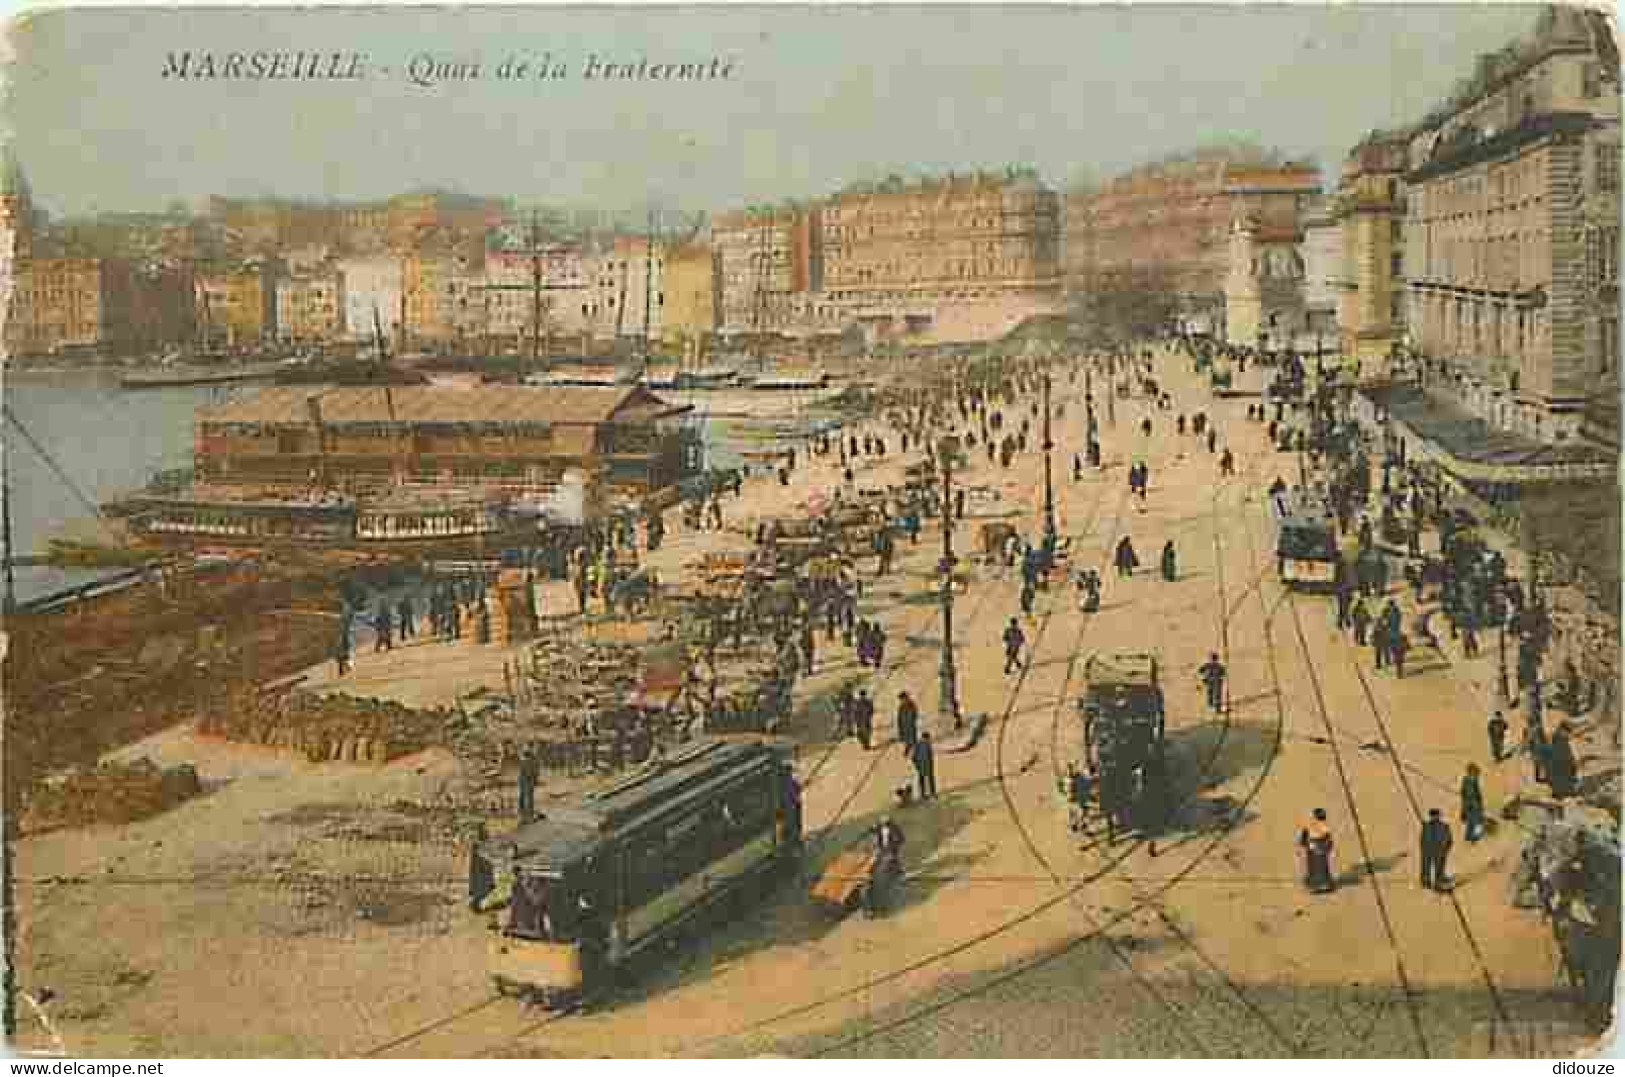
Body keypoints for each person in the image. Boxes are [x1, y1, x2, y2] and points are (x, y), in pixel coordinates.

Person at [868, 817, 906, 916]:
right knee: (876, 865)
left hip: (891, 850)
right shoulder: (879, 829)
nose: (883, 824)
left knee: (892, 862)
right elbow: (873, 832)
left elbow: (901, 839)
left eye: (885, 823)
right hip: (882, 850)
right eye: (881, 823)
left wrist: (894, 849)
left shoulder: (895, 829)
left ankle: (898, 870)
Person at [1299, 808, 1335, 893]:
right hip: (1314, 850)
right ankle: (1318, 883)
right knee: (1314, 866)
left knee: (1320, 867)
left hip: (1317, 850)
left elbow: (1328, 841)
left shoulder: (1324, 829)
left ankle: (1321, 885)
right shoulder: (1312, 827)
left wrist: (1325, 848)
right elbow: (1304, 836)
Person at [1419, 808, 1453, 892]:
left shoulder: (1444, 826)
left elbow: (1449, 838)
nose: (1435, 817)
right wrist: (1423, 848)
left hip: (1439, 849)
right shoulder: (1426, 826)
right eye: (1433, 816)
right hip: (1429, 849)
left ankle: (1438, 881)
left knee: (1439, 866)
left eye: (1436, 816)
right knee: (1426, 865)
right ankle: (1426, 881)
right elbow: (1422, 838)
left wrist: (1446, 848)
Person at [467, 823, 494, 912]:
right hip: (481, 869)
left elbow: (472, 875)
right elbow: (472, 875)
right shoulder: (476, 893)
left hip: (482, 869)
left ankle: (482, 829)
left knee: (482, 849)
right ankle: (482, 829)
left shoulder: (481, 893)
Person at [1460, 763, 1486, 842]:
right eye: (1475, 772)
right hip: (1472, 805)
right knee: (1477, 822)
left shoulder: (1471, 780)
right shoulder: (1468, 781)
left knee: (1471, 822)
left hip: (1472, 805)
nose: (1477, 775)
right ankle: (1474, 836)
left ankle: (1469, 836)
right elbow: (1469, 794)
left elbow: (1475, 793)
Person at [1067, 763, 1093, 834]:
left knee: (1083, 813)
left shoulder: (1080, 778)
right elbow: (1070, 790)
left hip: (1080, 798)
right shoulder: (1072, 780)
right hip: (1077, 799)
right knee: (1078, 813)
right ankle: (1077, 825)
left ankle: (1083, 826)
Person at [910, 732, 938, 800]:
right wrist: (917, 765)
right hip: (924, 766)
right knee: (926, 780)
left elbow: (913, 757)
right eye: (928, 739)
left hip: (925, 766)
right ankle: (928, 794)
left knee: (925, 780)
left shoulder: (921, 744)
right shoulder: (921, 745)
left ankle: (928, 794)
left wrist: (916, 764)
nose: (929, 740)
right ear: (925, 738)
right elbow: (913, 757)